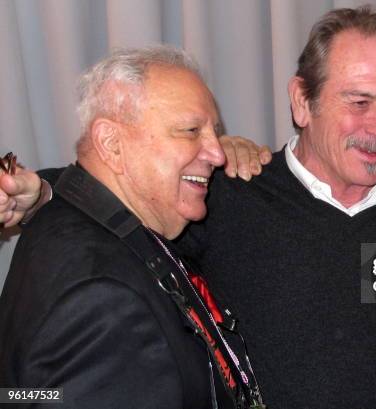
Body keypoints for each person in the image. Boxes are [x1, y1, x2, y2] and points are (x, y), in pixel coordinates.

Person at [1, 7, 376, 408]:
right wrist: (43, 191)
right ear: (302, 101)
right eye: (360, 102)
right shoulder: (229, 194)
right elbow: (130, 194)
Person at [0, 46, 267, 409]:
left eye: (212, 132)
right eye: (190, 130)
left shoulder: (112, 218)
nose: (218, 154)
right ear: (112, 144)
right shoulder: (102, 297)